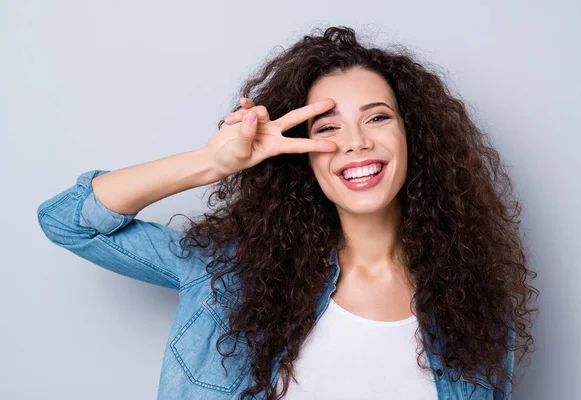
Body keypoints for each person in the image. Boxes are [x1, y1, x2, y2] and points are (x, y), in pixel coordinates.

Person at [36, 26, 538, 400]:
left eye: (378, 118)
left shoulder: (473, 305)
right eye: (327, 127)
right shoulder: (230, 273)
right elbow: (69, 220)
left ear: (415, 138)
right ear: (301, 152)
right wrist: (211, 163)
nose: (357, 142)